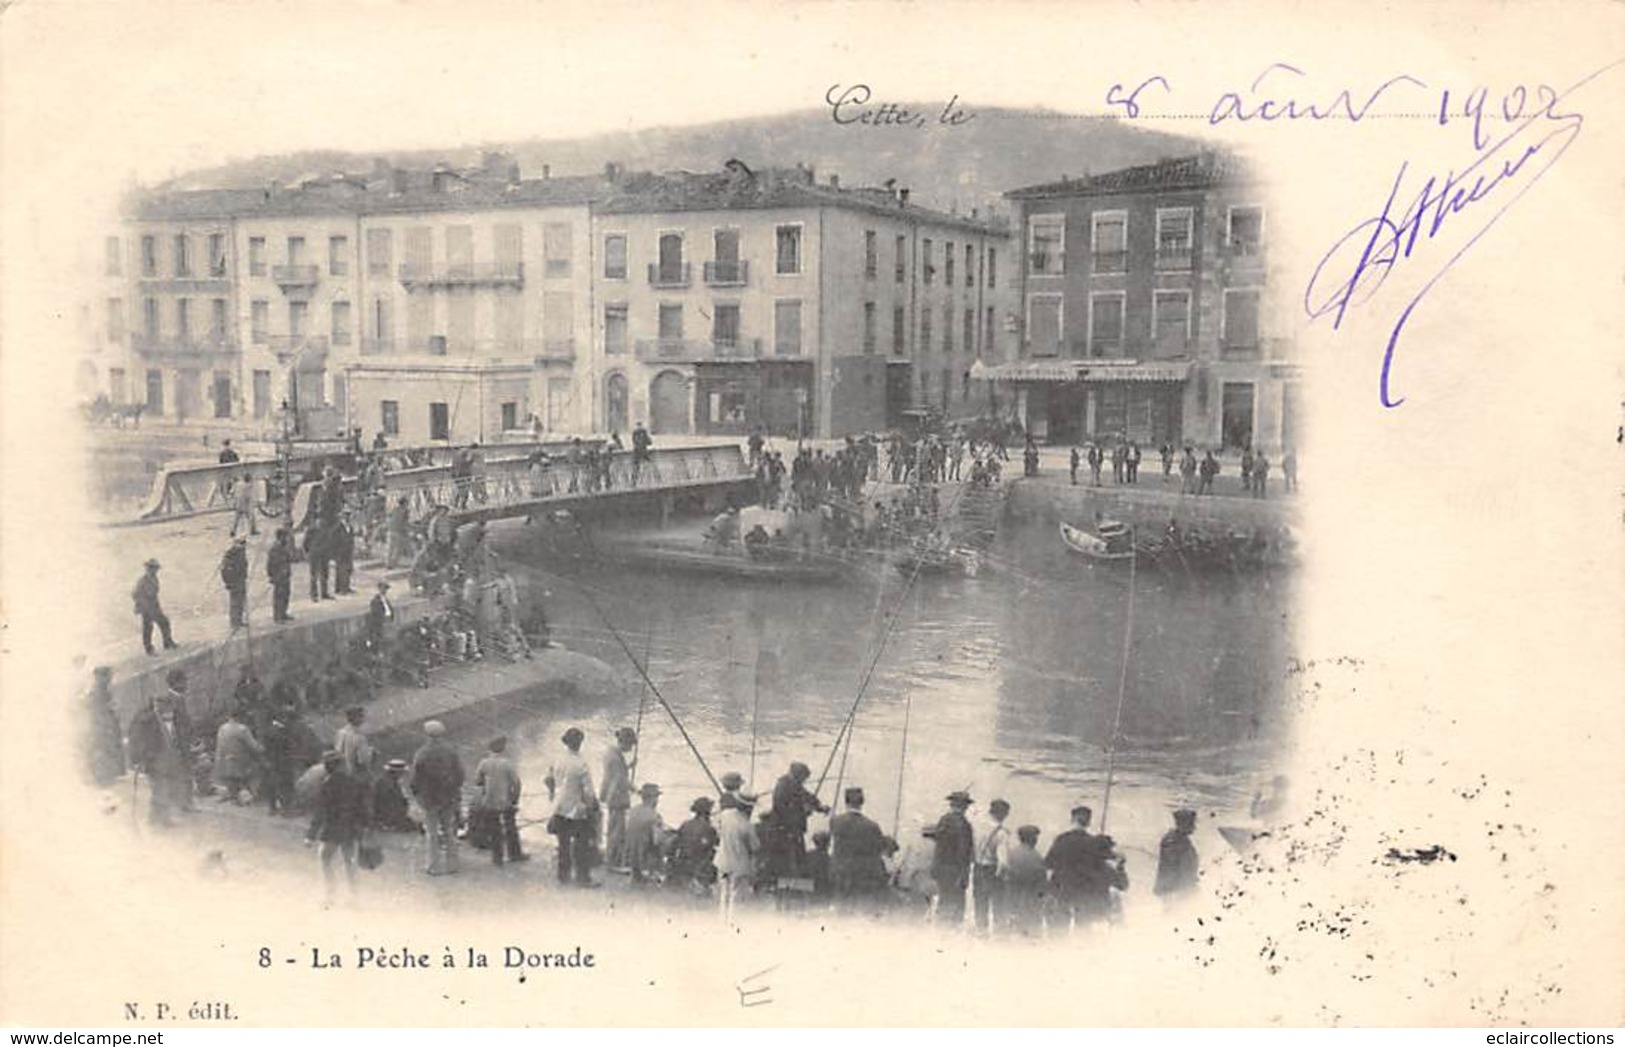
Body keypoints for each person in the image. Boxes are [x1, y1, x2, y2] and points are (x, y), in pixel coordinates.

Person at [125, 670, 194, 825]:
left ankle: (157, 818)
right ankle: (161, 820)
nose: (170, 710)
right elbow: (138, 740)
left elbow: (173, 737)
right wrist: (138, 759)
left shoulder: (166, 719)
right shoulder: (148, 720)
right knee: (160, 789)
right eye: (166, 706)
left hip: (166, 760)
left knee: (162, 789)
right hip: (154, 761)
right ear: (158, 705)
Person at [1044, 805, 1125, 928]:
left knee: (1061, 928)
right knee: (1083, 927)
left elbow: (1048, 864)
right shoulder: (1093, 842)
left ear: (1072, 819)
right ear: (1088, 822)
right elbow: (1104, 862)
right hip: (1084, 893)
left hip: (1063, 890)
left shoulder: (1061, 839)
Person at [310, 751, 369, 904]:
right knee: (350, 861)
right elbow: (362, 807)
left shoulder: (327, 784)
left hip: (332, 827)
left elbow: (320, 811)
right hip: (350, 827)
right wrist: (364, 826)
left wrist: (311, 834)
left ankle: (330, 894)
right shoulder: (353, 782)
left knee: (325, 858)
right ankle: (354, 896)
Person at [544, 727, 598, 887]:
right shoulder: (581, 764)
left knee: (563, 844)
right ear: (580, 743)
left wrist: (552, 794)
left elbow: (548, 779)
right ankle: (582, 878)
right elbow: (588, 792)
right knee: (582, 845)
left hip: (559, 808)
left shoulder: (557, 759)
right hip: (577, 810)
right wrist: (592, 807)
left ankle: (563, 876)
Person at [411, 720, 465, 875]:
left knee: (432, 832)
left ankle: (433, 866)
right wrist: (454, 789)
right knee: (449, 830)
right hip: (448, 796)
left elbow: (415, 778)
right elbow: (461, 774)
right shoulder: (451, 751)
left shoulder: (422, 753)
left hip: (429, 798)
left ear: (427, 734)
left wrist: (417, 794)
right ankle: (452, 865)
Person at [829, 786, 893, 908]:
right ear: (862, 802)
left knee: (841, 908)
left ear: (846, 801)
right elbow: (878, 848)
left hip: (840, 873)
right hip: (862, 876)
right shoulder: (872, 826)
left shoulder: (835, 822)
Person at [923, 790, 976, 926]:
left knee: (943, 900)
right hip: (955, 870)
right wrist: (964, 873)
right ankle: (951, 934)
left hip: (941, 868)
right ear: (965, 806)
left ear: (952, 804)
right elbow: (964, 852)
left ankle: (942, 929)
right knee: (956, 904)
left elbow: (937, 844)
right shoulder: (964, 825)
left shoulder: (943, 820)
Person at [475, 736, 527, 866]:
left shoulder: (484, 763)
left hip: (489, 801)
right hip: (505, 801)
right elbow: (517, 783)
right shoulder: (507, 764)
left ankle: (497, 857)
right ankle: (514, 854)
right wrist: (515, 799)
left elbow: (478, 781)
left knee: (494, 829)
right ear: (503, 749)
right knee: (511, 827)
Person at [769, 760, 827, 874]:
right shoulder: (782, 786)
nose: (804, 782)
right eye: (803, 779)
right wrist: (803, 812)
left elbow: (807, 796)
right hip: (785, 831)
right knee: (792, 858)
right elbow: (782, 811)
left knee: (799, 856)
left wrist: (819, 807)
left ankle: (797, 876)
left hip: (795, 829)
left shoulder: (794, 784)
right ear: (797, 776)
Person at [716, 791, 760, 922]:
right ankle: (733, 925)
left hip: (722, 862)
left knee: (724, 895)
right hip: (739, 865)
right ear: (748, 807)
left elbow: (719, 832)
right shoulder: (746, 825)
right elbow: (755, 847)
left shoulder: (724, 816)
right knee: (737, 898)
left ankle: (721, 922)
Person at [1000, 825, 1049, 938]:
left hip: (1012, 899)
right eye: (1036, 837)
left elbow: (1004, 875)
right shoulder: (1036, 857)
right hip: (1030, 902)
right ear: (1032, 839)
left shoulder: (1011, 854)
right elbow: (1042, 882)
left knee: (1013, 932)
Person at [972, 798, 1012, 932]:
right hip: (992, 870)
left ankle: (980, 931)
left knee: (980, 902)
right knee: (997, 905)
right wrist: (1003, 878)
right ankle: (998, 935)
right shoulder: (1002, 833)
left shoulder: (977, 827)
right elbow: (1003, 862)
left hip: (978, 868)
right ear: (1004, 814)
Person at [600, 727, 637, 870]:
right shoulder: (615, 758)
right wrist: (636, 789)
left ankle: (612, 857)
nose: (631, 748)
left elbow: (617, 773)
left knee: (613, 828)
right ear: (625, 743)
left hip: (611, 795)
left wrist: (628, 767)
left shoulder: (611, 753)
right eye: (631, 745)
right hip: (616, 797)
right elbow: (620, 779)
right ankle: (613, 862)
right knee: (617, 830)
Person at [669, 797, 720, 896]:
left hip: (683, 865)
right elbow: (713, 846)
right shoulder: (709, 829)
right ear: (707, 812)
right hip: (699, 868)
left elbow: (674, 843)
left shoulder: (685, 824)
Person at [85, 666, 126, 787]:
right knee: (104, 752)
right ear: (100, 678)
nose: (110, 679)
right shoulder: (98, 692)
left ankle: (106, 776)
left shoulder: (103, 691)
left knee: (107, 752)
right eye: (107, 676)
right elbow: (97, 713)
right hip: (102, 730)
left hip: (105, 728)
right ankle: (104, 778)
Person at [212, 708, 263, 804]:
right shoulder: (243, 729)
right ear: (240, 717)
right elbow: (253, 746)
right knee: (258, 766)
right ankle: (250, 793)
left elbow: (219, 747)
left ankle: (233, 794)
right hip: (240, 762)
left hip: (224, 762)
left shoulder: (222, 728)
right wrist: (263, 748)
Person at [624, 782, 668, 885]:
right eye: (656, 797)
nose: (657, 800)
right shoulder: (654, 816)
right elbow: (657, 840)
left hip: (630, 855)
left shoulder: (633, 811)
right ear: (652, 798)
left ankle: (637, 874)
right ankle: (653, 873)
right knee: (666, 842)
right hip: (644, 856)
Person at [1154, 808, 1201, 901]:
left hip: (1181, 889)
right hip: (1174, 891)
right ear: (1183, 824)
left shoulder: (1182, 840)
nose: (1194, 827)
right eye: (1191, 824)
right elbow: (1174, 868)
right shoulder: (1172, 841)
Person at [132, 558, 176, 655]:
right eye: (152, 568)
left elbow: (154, 594)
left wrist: (156, 606)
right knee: (148, 627)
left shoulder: (154, 578)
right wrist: (142, 605)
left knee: (164, 622)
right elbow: (135, 594)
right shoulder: (142, 580)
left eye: (155, 568)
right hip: (146, 607)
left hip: (154, 605)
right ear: (148, 568)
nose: (155, 570)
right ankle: (149, 649)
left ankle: (167, 643)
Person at [372, 759, 419, 832]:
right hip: (387, 818)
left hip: (391, 816)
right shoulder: (385, 784)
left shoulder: (390, 783)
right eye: (402, 772)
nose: (403, 775)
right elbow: (389, 805)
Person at [334, 705, 374, 780]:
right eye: (360, 716)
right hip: (354, 774)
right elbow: (363, 761)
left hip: (340, 772)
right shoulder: (358, 737)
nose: (363, 719)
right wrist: (371, 753)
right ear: (354, 718)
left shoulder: (340, 732)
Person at [267, 528, 295, 623]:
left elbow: (288, 559)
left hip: (285, 575)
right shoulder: (275, 548)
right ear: (280, 537)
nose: (286, 539)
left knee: (286, 594)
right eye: (285, 537)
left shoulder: (283, 547)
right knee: (279, 596)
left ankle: (283, 613)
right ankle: (277, 616)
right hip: (278, 576)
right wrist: (272, 576)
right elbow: (271, 564)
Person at [220, 537, 249, 630]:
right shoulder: (231, 555)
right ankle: (234, 623)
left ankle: (239, 621)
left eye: (243, 544)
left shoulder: (241, 553)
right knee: (235, 603)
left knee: (240, 602)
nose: (243, 546)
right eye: (241, 544)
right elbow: (225, 571)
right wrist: (228, 583)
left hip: (241, 580)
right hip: (234, 582)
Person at [304, 520, 332, 602]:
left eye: (322, 524)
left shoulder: (326, 531)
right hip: (314, 556)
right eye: (319, 523)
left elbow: (329, 543)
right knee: (314, 576)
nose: (321, 525)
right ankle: (314, 594)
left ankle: (324, 593)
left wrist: (329, 553)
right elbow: (305, 543)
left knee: (325, 575)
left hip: (324, 556)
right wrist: (307, 553)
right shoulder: (311, 531)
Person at [331, 512, 357, 595]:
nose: (347, 519)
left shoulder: (350, 527)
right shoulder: (337, 528)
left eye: (348, 517)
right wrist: (334, 552)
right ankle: (340, 589)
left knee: (348, 569)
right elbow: (333, 540)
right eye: (345, 517)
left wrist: (352, 548)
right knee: (341, 570)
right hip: (340, 552)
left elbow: (351, 539)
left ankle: (346, 587)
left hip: (348, 552)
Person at [366, 581, 395, 651]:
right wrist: (383, 619)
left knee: (391, 638)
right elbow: (375, 613)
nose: (385, 591)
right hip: (381, 622)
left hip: (388, 621)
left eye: (386, 589)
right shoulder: (375, 601)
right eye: (383, 589)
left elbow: (390, 610)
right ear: (379, 589)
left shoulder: (386, 599)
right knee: (382, 639)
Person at [385, 497, 413, 569]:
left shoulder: (394, 509)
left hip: (391, 530)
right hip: (399, 532)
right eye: (407, 503)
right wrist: (409, 530)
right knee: (398, 550)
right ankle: (393, 565)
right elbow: (405, 523)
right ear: (404, 503)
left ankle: (388, 563)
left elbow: (389, 518)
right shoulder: (405, 511)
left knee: (390, 548)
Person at [230, 471, 259, 537]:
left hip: (238, 504)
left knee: (236, 518)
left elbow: (231, 492)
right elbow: (252, 483)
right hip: (246, 505)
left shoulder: (238, 484)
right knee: (251, 517)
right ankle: (253, 530)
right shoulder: (248, 486)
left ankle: (233, 530)